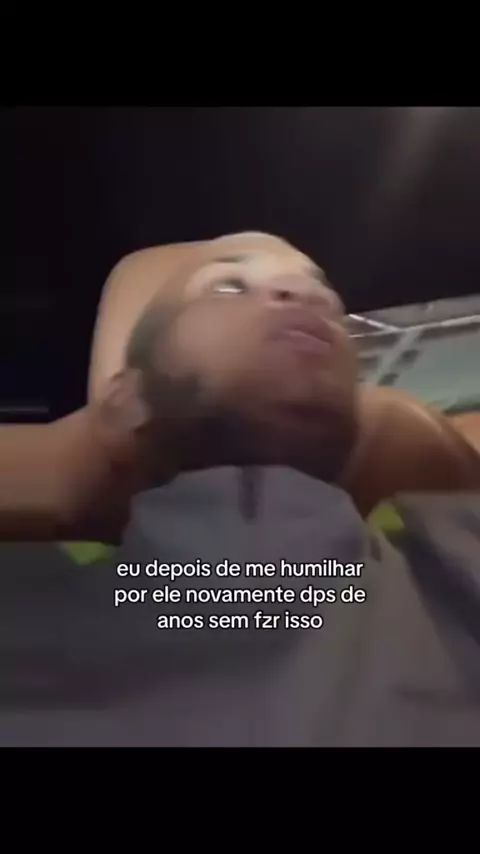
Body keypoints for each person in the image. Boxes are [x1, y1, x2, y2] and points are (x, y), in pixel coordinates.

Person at [1, 231, 479, 542]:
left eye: (324, 296)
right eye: (229, 287)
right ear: (125, 403)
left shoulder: (443, 558)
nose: (311, 296)